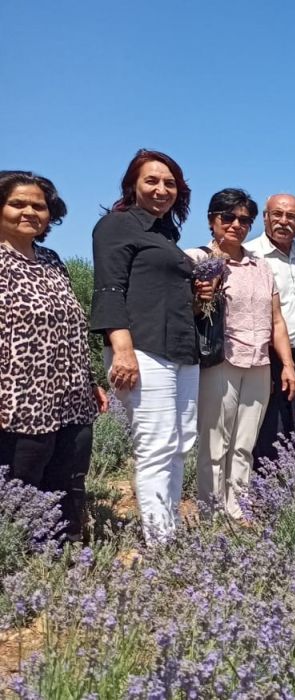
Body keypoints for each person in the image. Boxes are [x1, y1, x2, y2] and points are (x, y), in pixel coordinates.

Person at [90, 149, 209, 545]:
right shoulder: (116, 225)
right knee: (156, 444)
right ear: (133, 186)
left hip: (181, 349)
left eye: (169, 183)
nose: (161, 189)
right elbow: (108, 289)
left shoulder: (165, 235)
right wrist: (121, 349)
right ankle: (160, 541)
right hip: (144, 348)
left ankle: (168, 528)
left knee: (180, 442)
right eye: (152, 181)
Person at [0, 171, 107, 540]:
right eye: (18, 203)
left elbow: (71, 328)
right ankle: (19, 564)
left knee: (67, 483)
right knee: (19, 485)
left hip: (71, 398)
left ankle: (63, 556)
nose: (29, 211)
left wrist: (91, 381)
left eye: (39, 206)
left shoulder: (52, 261)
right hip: (17, 401)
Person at [187, 189, 295, 520]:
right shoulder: (197, 259)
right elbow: (186, 309)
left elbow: (276, 319)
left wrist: (288, 365)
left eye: (244, 220)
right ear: (211, 220)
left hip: (259, 363)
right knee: (214, 443)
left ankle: (238, 510)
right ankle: (210, 512)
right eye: (228, 217)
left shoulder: (260, 267)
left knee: (244, 443)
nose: (236, 225)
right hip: (220, 360)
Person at [245, 193, 295, 463]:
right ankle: (266, 493)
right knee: (269, 429)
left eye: (292, 217)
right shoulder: (251, 254)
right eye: (277, 214)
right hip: (267, 356)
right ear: (265, 217)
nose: (284, 221)